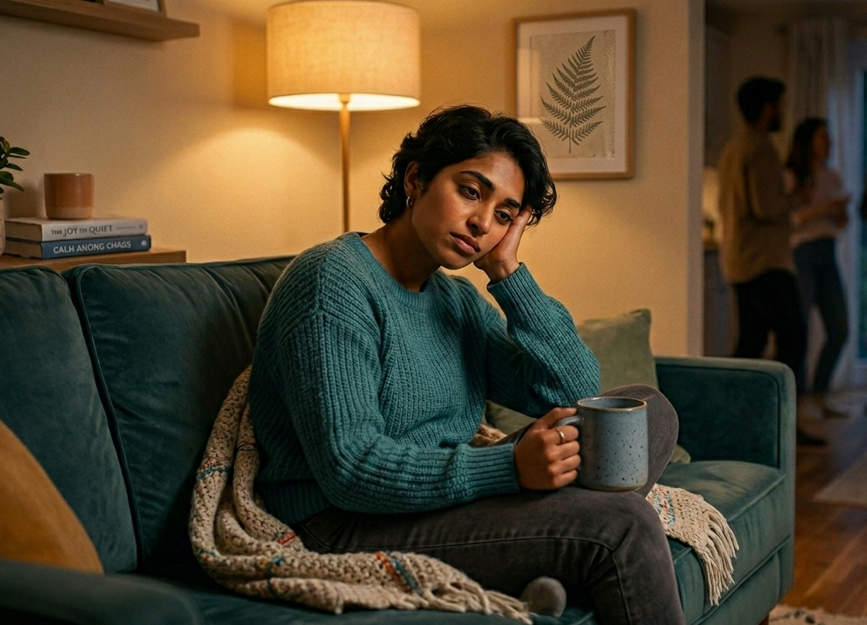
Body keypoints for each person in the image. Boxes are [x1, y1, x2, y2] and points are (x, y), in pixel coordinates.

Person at [248, 105, 685, 624]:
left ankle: (547, 560)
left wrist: (507, 270)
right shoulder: (332, 282)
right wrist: (509, 466)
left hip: (439, 500)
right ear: (416, 178)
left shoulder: (454, 300)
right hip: (343, 524)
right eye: (471, 191)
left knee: (647, 412)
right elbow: (350, 468)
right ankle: (565, 552)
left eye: (504, 214)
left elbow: (574, 392)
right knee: (625, 524)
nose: (482, 222)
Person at [716, 76, 821, 445]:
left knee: (751, 345)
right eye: (778, 105)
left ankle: (731, 422)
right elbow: (767, 207)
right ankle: (780, 425)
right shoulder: (760, 148)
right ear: (766, 108)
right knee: (794, 337)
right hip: (766, 262)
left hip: (743, 261)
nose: (781, 112)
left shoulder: (734, 148)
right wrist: (797, 197)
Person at [785, 118, 850, 418]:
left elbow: (841, 222)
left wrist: (839, 214)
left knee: (839, 328)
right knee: (798, 328)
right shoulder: (791, 177)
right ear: (809, 140)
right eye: (823, 136)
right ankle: (793, 400)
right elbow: (791, 221)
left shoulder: (832, 176)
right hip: (803, 254)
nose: (829, 142)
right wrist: (824, 209)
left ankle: (820, 393)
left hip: (828, 251)